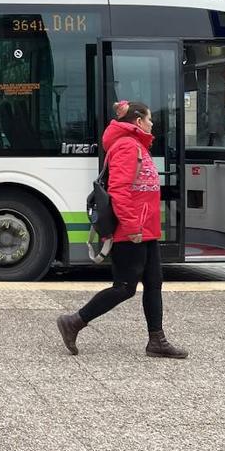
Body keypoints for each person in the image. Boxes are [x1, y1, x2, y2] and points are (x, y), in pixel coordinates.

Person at [55, 100, 188, 358]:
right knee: (124, 287)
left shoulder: (137, 145)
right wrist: (131, 226)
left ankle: (157, 341)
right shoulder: (127, 146)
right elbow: (119, 192)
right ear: (138, 121)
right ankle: (73, 322)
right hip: (133, 230)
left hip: (145, 229)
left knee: (153, 283)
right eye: (149, 119)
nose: (152, 124)